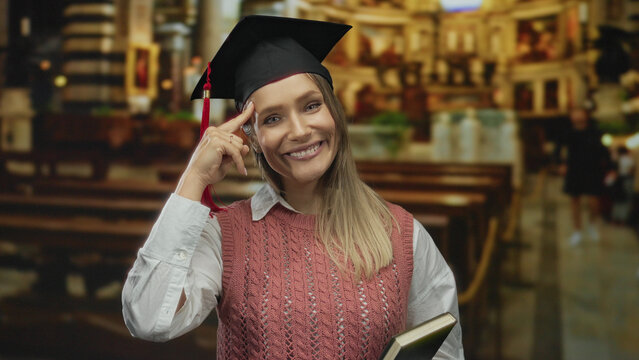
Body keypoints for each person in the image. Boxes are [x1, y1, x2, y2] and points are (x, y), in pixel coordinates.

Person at [121, 15, 463, 359]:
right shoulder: (227, 236)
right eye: (272, 118)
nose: (299, 130)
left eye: (311, 106)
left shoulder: (402, 234)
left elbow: (444, 351)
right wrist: (193, 178)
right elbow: (149, 320)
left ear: (334, 112)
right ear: (252, 137)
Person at [554, 107, 610, 246]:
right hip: (574, 169)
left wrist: (610, 167)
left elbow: (603, 150)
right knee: (574, 200)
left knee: (594, 200)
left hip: (592, 169)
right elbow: (558, 149)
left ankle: (592, 224)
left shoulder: (594, 131)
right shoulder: (568, 132)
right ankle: (577, 230)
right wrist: (560, 164)